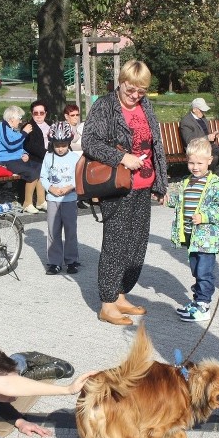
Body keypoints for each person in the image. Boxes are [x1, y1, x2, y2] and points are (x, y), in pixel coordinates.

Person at [82, 60, 169, 325]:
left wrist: (161, 182)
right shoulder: (105, 105)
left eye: (141, 91)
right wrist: (122, 158)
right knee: (116, 245)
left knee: (136, 245)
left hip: (143, 185)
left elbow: (156, 144)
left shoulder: (146, 105)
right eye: (130, 89)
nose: (135, 96)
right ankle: (107, 303)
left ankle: (120, 294)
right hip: (118, 186)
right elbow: (89, 142)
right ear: (120, 81)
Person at [166, 137, 219, 322]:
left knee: (204, 272)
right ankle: (197, 302)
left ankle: (203, 305)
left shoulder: (215, 184)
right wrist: (166, 198)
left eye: (200, 163)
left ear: (209, 161)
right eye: (191, 162)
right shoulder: (187, 182)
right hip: (191, 237)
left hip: (206, 239)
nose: (195, 167)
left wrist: (204, 217)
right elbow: (180, 201)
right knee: (196, 269)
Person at [39, 121, 80, 275]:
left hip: (69, 199)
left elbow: (78, 177)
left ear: (69, 143)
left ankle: (71, 260)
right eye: (57, 145)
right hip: (53, 199)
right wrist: (50, 188)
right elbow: (43, 176)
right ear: (52, 144)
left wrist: (70, 187)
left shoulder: (74, 158)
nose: (60, 148)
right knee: (53, 231)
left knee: (70, 230)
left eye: (63, 145)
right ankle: (54, 262)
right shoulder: (48, 157)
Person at [0, 105, 46, 214]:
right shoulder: (1, 127)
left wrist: (25, 154)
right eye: (19, 118)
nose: (20, 121)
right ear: (12, 118)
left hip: (17, 159)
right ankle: (27, 203)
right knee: (31, 172)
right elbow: (10, 144)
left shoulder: (13, 129)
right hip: (5, 160)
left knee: (40, 168)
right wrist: (24, 133)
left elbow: (19, 146)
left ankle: (41, 201)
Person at [178, 97, 219, 177]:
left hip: (208, 145)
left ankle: (215, 177)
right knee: (214, 158)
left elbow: (205, 134)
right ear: (194, 109)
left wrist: (213, 135)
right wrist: (207, 138)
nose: (204, 112)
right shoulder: (186, 121)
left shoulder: (203, 119)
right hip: (196, 148)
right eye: (202, 110)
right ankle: (209, 178)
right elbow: (189, 141)